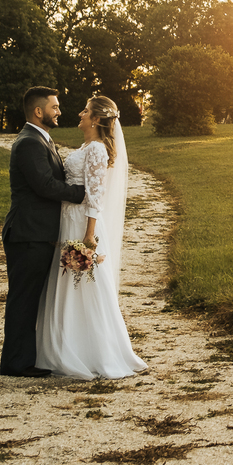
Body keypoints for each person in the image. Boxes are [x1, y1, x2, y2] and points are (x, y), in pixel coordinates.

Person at [35, 95, 147, 380]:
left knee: (82, 285)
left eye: (85, 111)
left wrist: (88, 235)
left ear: (96, 119)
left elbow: (96, 195)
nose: (80, 114)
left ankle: (92, 352)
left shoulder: (96, 149)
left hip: (82, 228)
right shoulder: (87, 146)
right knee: (71, 285)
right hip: (69, 223)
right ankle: (69, 346)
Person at [1, 86, 86, 378]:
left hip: (36, 233)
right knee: (23, 299)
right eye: (55, 106)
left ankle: (23, 357)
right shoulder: (29, 143)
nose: (59, 111)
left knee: (30, 298)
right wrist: (84, 193)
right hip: (27, 233)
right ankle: (15, 363)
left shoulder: (40, 139)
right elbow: (44, 185)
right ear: (39, 111)